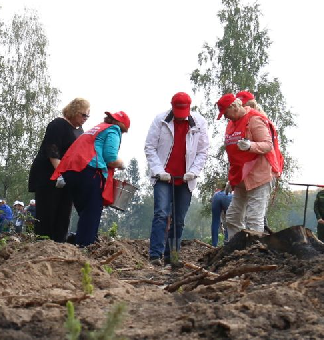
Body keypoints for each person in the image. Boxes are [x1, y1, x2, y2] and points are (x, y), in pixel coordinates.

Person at [144, 92, 209, 267]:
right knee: (161, 214)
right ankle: (155, 255)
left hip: (185, 178)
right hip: (164, 177)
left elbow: (203, 151)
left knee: (178, 219)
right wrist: (159, 171)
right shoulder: (161, 120)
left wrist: (194, 171)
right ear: (171, 106)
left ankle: (171, 256)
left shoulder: (199, 123)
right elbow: (150, 147)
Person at [51, 111, 130, 247]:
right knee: (92, 211)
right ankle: (84, 248)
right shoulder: (114, 129)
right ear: (123, 127)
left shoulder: (96, 129)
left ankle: (77, 242)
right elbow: (110, 158)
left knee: (84, 211)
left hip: (71, 172)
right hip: (89, 171)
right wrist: (122, 164)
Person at [216, 93, 282, 239]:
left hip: (259, 176)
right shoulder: (231, 125)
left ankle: (254, 253)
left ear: (234, 106)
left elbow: (267, 145)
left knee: (254, 219)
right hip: (241, 178)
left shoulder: (254, 119)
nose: (226, 117)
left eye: (226, 113)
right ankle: (236, 249)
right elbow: (233, 155)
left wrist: (250, 146)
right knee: (233, 217)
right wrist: (231, 179)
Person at [28, 98, 89, 242]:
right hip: (49, 176)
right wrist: (61, 173)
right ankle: (42, 245)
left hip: (67, 178)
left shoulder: (80, 132)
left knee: (63, 214)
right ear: (74, 111)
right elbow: (52, 150)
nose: (85, 119)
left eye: (87, 116)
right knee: (47, 213)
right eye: (83, 115)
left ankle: (59, 244)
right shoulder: (58, 124)